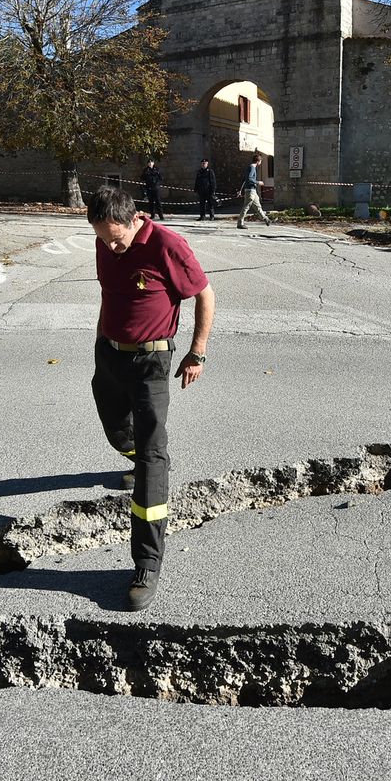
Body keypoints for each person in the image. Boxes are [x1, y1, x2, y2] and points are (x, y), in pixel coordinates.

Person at [88, 185, 215, 611]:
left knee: (152, 458)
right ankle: (137, 458)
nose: (110, 245)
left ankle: (147, 562)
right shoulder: (106, 239)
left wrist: (197, 352)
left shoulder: (166, 245)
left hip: (150, 364)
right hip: (109, 353)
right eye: (103, 238)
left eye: (116, 238)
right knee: (113, 426)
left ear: (134, 219)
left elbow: (204, 294)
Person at [236, 153, 273, 229]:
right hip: (250, 191)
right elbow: (249, 179)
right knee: (246, 207)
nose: (261, 163)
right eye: (260, 161)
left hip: (253, 191)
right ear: (258, 161)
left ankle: (266, 220)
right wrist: (258, 182)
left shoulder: (251, 167)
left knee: (258, 206)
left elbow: (244, 180)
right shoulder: (252, 168)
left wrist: (240, 190)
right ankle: (240, 223)